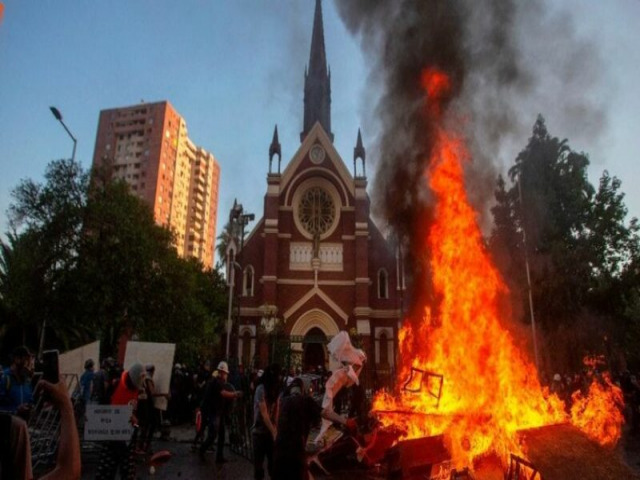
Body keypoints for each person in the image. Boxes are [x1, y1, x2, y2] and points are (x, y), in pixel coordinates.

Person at [273, 376, 356, 480]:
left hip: (278, 453)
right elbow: (326, 413)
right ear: (303, 389)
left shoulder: (282, 402)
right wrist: (345, 421)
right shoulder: (305, 401)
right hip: (295, 453)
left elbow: (275, 424)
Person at [0, 376, 81, 480]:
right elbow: (69, 472)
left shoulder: (25, 381)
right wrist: (65, 404)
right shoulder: (12, 428)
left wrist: (20, 413)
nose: (29, 364)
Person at [96, 362, 146, 480]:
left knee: (128, 473)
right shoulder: (115, 385)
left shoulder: (139, 391)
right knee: (105, 471)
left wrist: (136, 422)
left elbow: (140, 422)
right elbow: (102, 408)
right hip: (111, 436)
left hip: (128, 439)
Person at [198, 361, 242, 463]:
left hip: (218, 412)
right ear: (222, 373)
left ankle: (219, 456)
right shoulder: (216, 382)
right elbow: (223, 393)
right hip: (214, 412)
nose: (226, 375)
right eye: (225, 373)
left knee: (221, 434)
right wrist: (235, 394)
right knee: (213, 435)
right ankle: (202, 450)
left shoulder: (218, 382)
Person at [252, 364, 280, 480]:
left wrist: (276, 428)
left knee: (273, 465)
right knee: (258, 467)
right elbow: (264, 414)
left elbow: (277, 410)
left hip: (270, 432)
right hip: (259, 431)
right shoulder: (260, 389)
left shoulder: (275, 389)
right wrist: (274, 431)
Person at [0, 346, 34, 418]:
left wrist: (31, 408)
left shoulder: (27, 381)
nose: (29, 369)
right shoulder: (4, 378)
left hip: (24, 425)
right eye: (27, 363)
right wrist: (15, 411)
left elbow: (30, 400)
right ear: (17, 359)